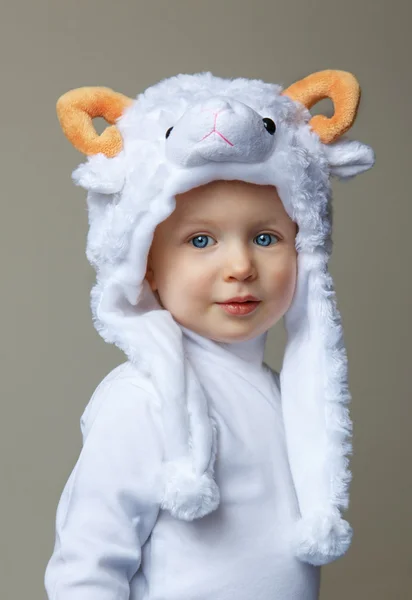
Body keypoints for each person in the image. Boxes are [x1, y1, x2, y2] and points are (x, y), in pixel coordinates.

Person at [44, 70, 375, 600]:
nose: (240, 265)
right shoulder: (142, 399)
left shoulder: (280, 393)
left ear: (306, 248)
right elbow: (86, 572)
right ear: (144, 267)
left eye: (266, 237)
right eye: (201, 240)